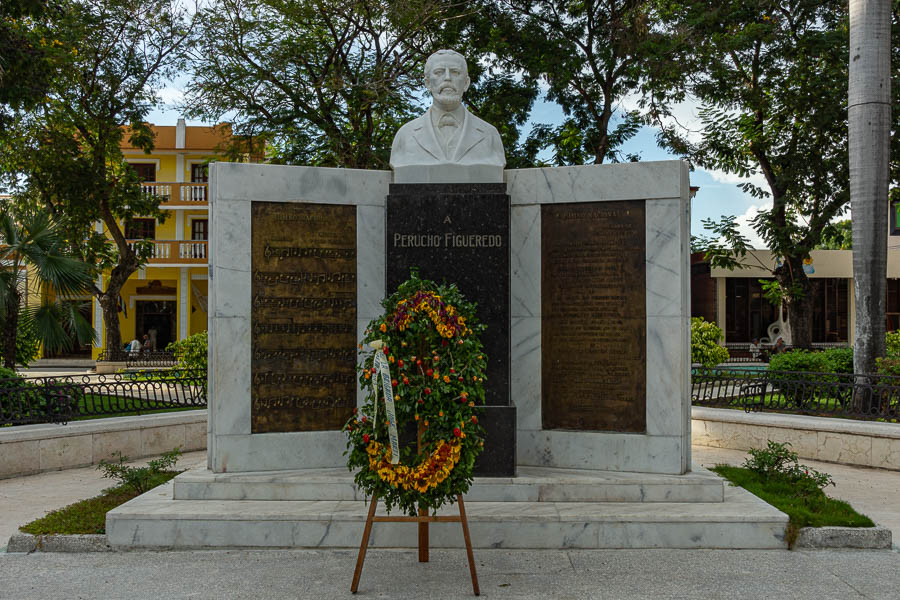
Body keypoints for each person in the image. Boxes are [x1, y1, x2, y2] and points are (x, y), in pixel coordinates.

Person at [389, 49, 506, 182]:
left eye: (455, 72)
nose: (447, 78)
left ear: (466, 83)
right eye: (439, 72)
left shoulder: (489, 135)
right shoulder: (405, 135)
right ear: (428, 83)